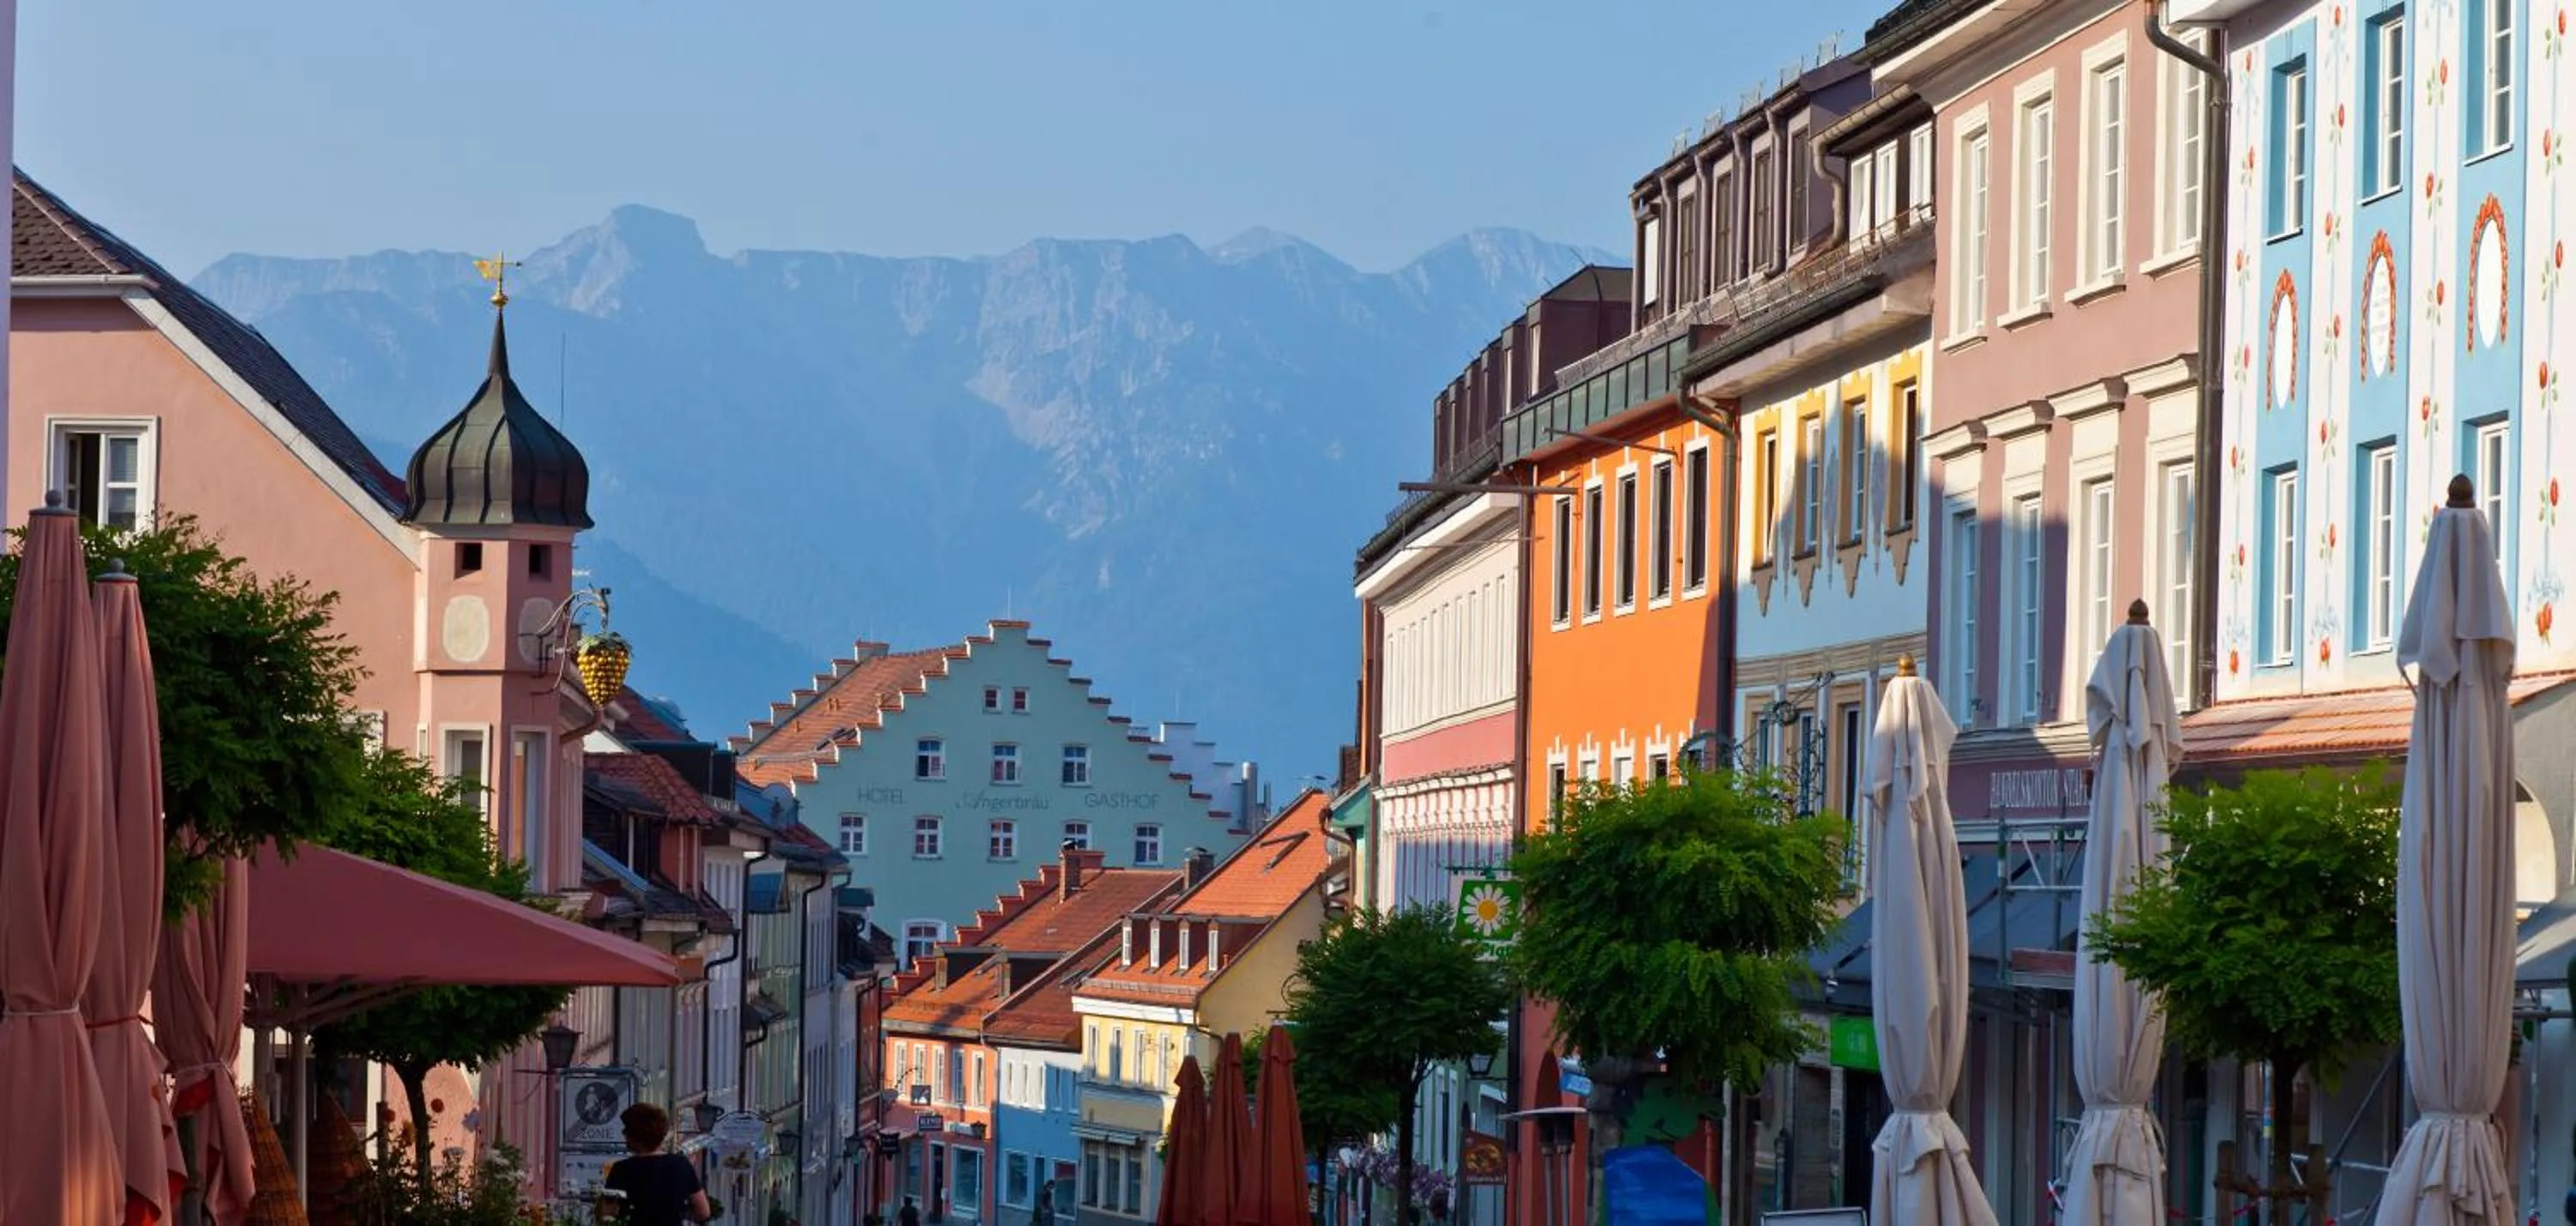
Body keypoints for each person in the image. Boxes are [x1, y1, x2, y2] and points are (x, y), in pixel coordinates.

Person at [604, 1103, 716, 1225]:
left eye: (626, 1129)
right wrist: (678, 1213)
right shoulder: (681, 1164)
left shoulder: (622, 1170)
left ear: (634, 1135)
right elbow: (703, 1212)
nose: (623, 1133)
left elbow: (606, 1215)